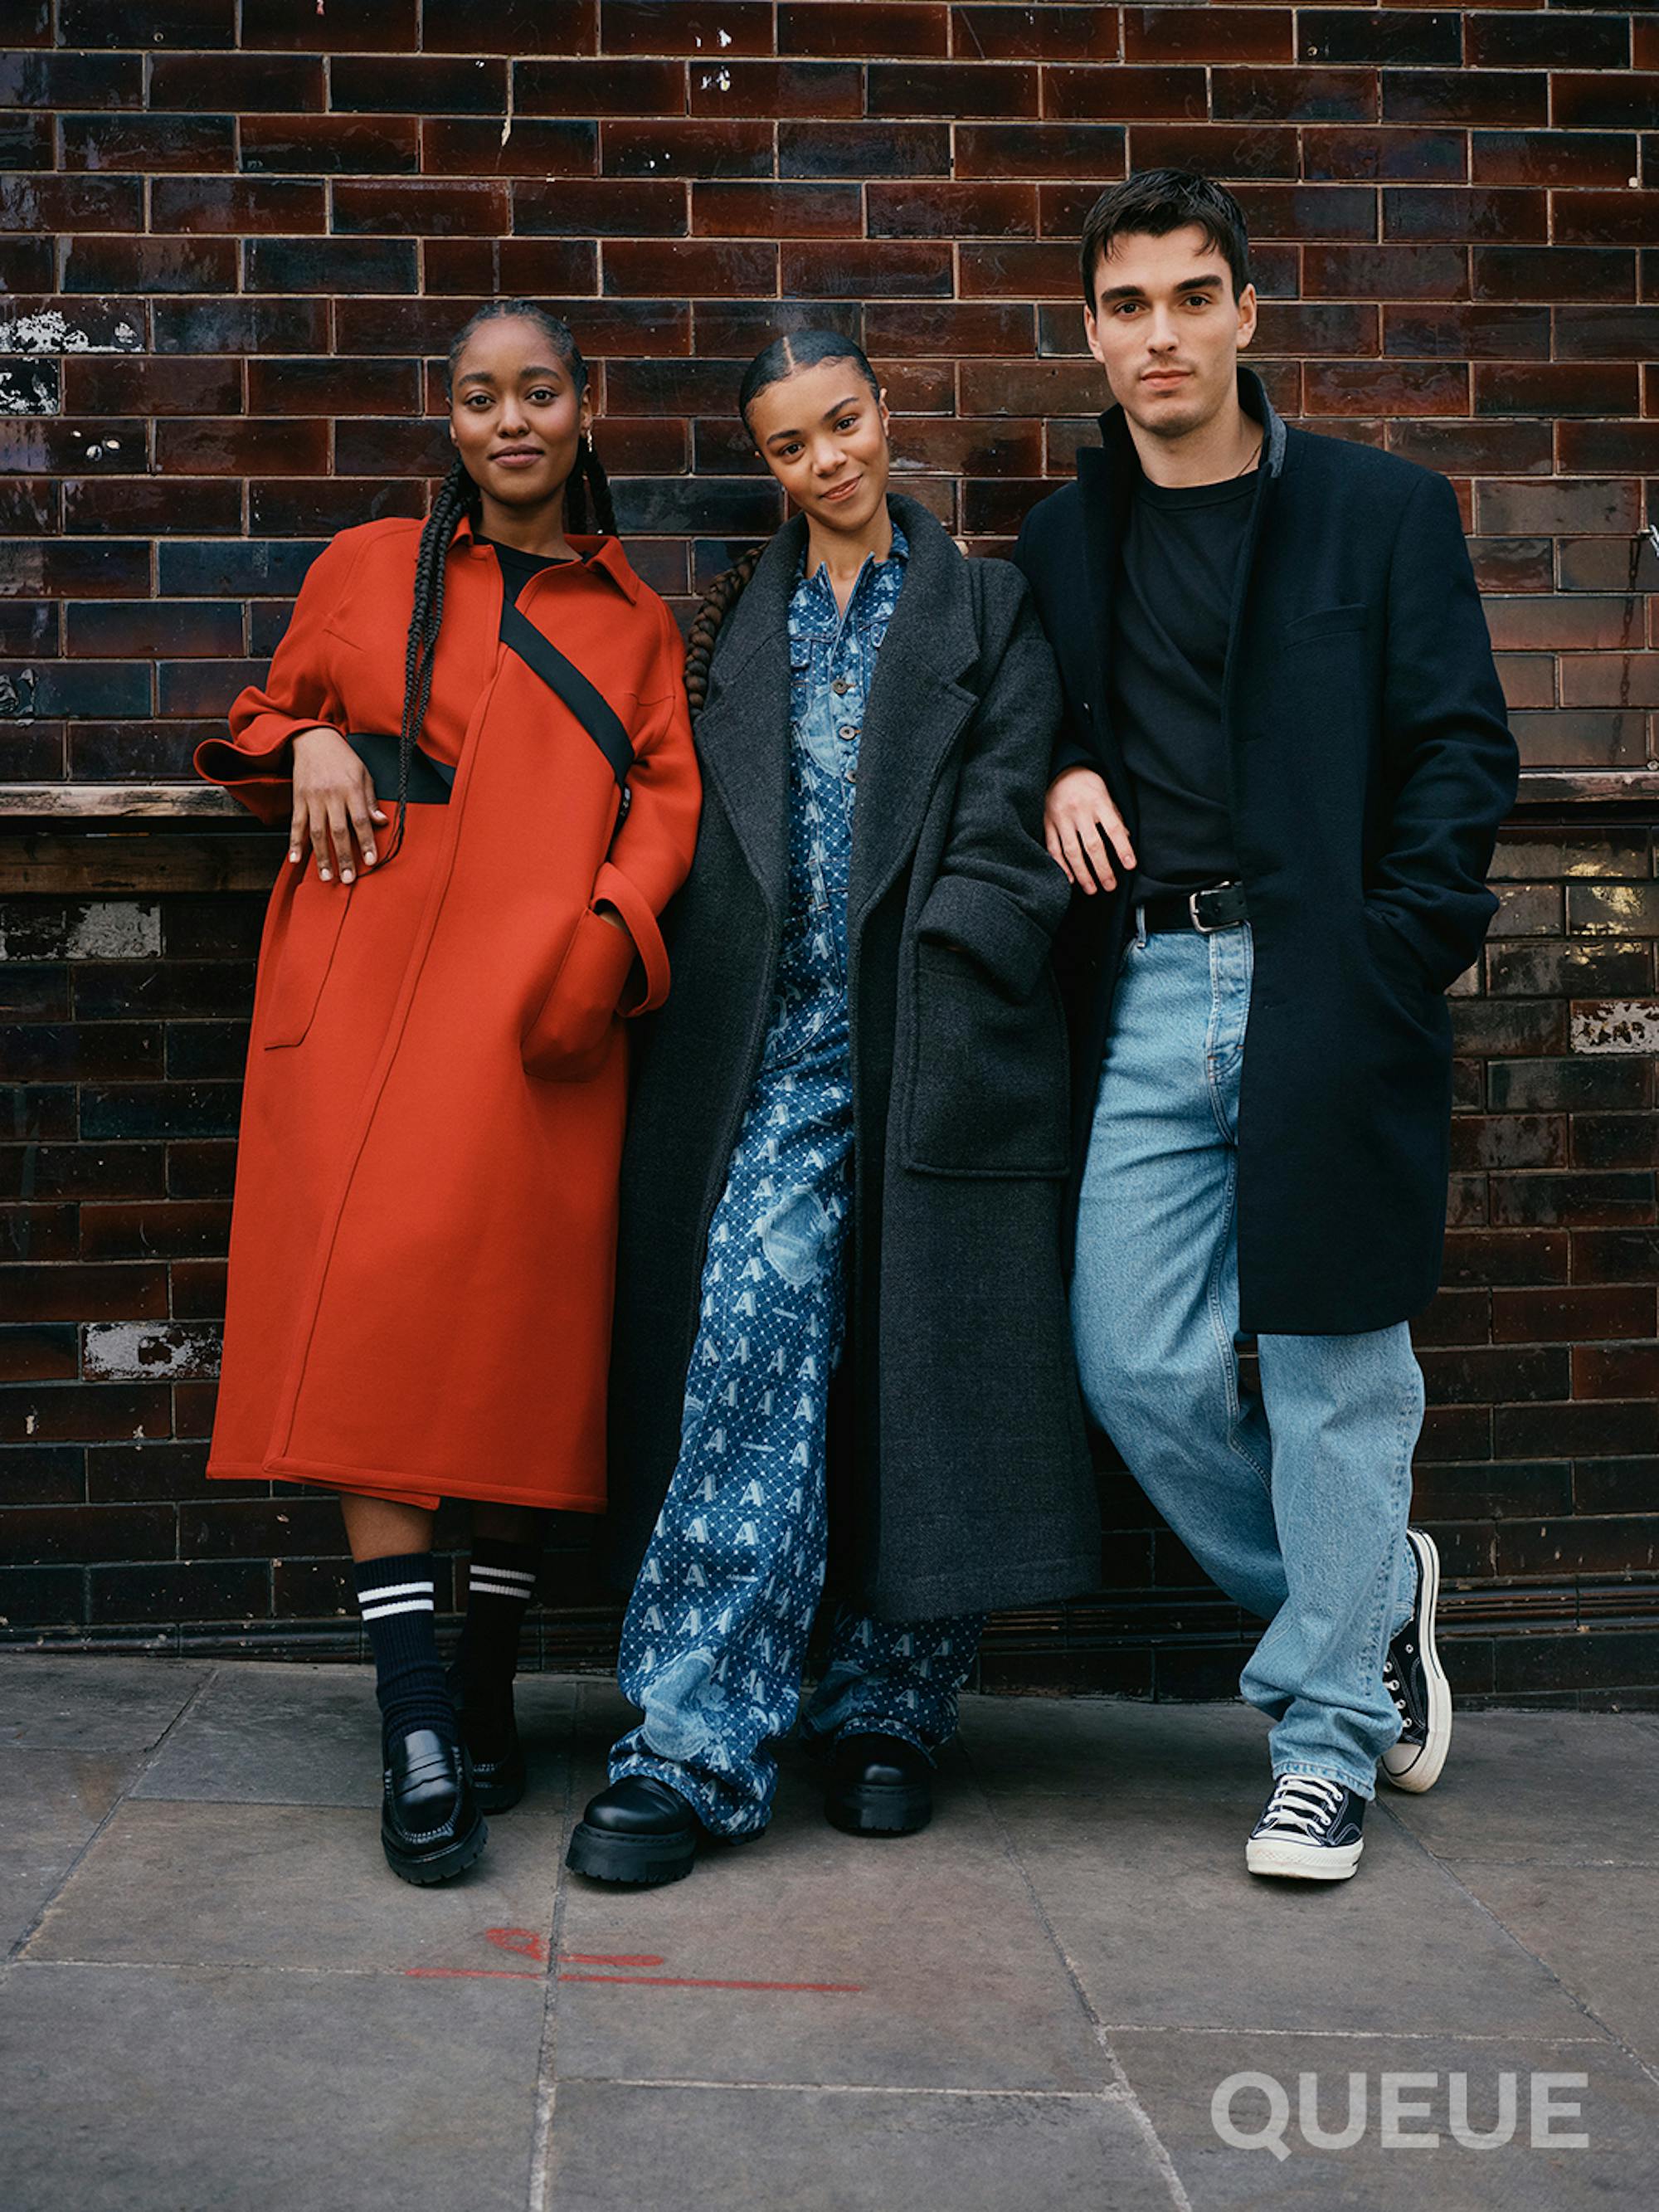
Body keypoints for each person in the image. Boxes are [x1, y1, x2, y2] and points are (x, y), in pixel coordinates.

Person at [1014, 172, 1518, 1883]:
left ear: (1247, 314)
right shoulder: (1064, 540)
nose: (1160, 332)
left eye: (1190, 296)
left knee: (1333, 1374)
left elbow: (1459, 751)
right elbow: (1029, 726)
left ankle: (1321, 1744)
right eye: (1126, 305)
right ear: (1090, 334)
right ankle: (1365, 1595)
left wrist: (1395, 953)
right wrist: (1064, 761)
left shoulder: (1380, 511)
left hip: (1327, 980)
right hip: (1149, 983)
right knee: (1133, 1363)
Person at [565, 329, 1101, 1888]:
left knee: (917, 1365)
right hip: (774, 1056)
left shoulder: (989, 607)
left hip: (937, 1042)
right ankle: (693, 1740)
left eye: (846, 423)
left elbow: (1015, 808)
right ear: (771, 465)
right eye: (793, 445)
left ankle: (888, 1709)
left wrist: (973, 951)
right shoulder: (733, 629)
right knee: (754, 1336)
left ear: (888, 413)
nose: (829, 461)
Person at [193, 300, 701, 1884]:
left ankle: (484, 1683)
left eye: (537, 392)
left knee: (519, 1353)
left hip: (543, 1022)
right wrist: (313, 748)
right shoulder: (361, 570)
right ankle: (418, 1720)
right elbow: (259, 715)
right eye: (480, 398)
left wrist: (609, 943)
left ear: (582, 408)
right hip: (358, 1004)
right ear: (454, 421)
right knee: (381, 1335)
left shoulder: (635, 621)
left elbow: (668, 804)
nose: (510, 422)